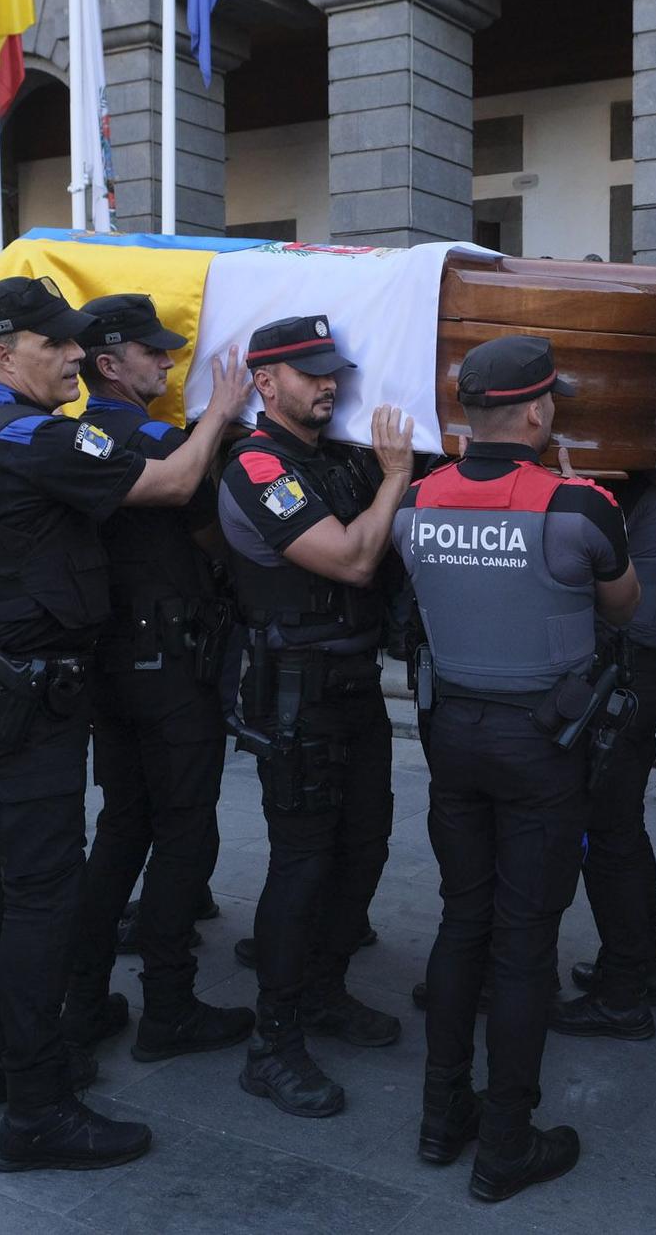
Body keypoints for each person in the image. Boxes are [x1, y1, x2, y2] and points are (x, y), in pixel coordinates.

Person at [0, 276, 207, 1170]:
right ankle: (37, 1109)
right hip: (28, 696)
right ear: (5, 355)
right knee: (40, 897)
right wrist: (228, 406)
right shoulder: (27, 436)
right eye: (54, 345)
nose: (71, 357)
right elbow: (166, 481)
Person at [395, 334, 637, 1200]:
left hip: (452, 733)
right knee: (525, 941)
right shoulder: (579, 507)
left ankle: (439, 1118)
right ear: (538, 411)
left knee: (463, 921)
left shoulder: (416, 502)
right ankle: (505, 1142)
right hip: (542, 742)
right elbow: (625, 602)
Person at [217, 314, 411, 1118]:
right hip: (297, 692)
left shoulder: (331, 459)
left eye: (333, 370)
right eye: (310, 372)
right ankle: (274, 1041)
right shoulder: (258, 465)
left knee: (364, 843)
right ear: (266, 384)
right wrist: (396, 476)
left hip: (353, 684)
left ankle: (326, 989)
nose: (329, 384)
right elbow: (353, 556)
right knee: (303, 862)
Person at [61, 294, 256, 1065]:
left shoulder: (75, 436)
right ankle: (169, 1006)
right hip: (169, 665)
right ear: (110, 363)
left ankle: (84, 995)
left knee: (122, 825)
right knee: (183, 830)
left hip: (113, 663)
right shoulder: (150, 438)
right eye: (155, 352)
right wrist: (224, 419)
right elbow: (196, 512)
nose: (170, 361)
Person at [556, 471, 656, 1033]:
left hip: (621, 676)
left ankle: (622, 994)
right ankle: (639, 970)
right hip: (632, 674)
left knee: (611, 841)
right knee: (620, 836)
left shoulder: (629, 499)